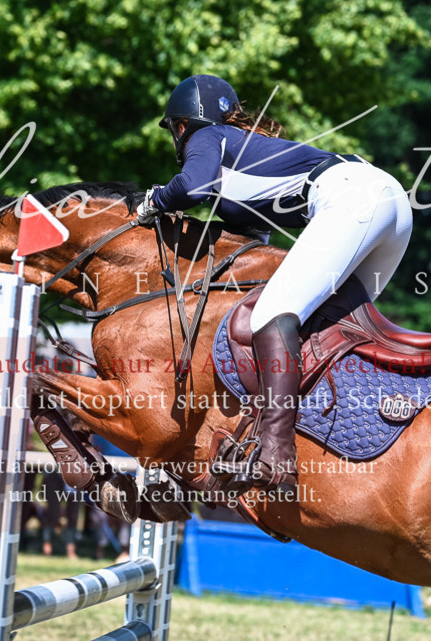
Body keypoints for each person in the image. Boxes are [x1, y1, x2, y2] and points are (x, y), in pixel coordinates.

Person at [137, 74, 413, 498]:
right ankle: (359, 422)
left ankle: (277, 455)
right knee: (329, 328)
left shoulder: (208, 135)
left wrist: (154, 200)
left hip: (354, 200)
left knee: (272, 314)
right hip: (390, 204)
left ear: (183, 124)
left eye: (175, 128)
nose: (177, 139)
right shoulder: (243, 161)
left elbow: (191, 186)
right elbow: (249, 251)